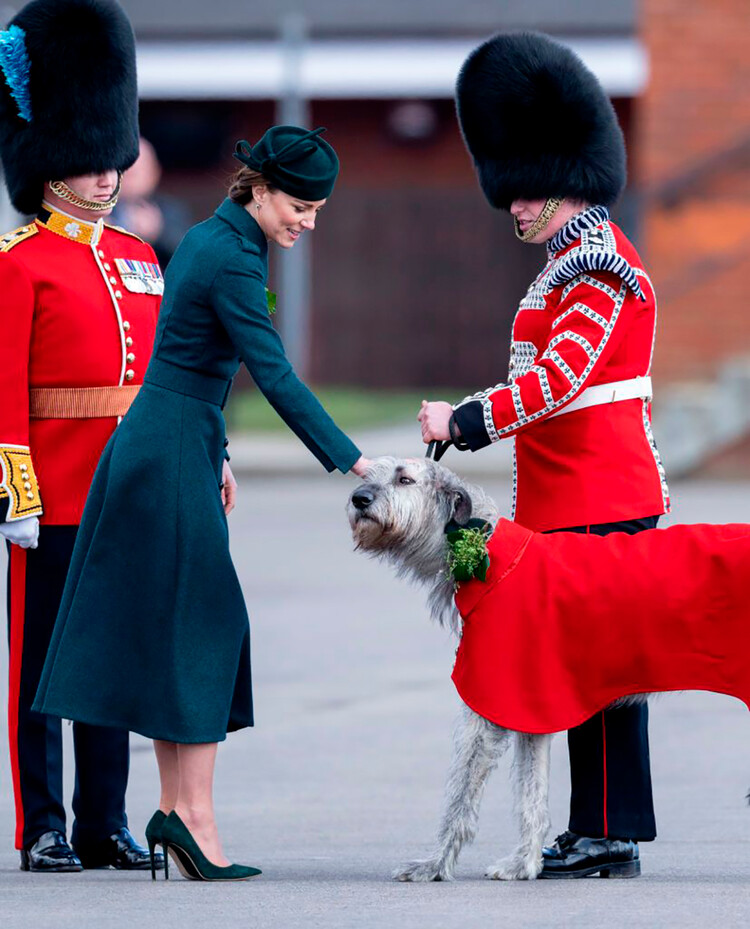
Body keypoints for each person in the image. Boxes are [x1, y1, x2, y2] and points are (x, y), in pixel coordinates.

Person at [34, 124, 372, 882]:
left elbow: (196, 358)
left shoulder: (227, 244)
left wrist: (216, 447)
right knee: (204, 624)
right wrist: (355, 459)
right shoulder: (227, 254)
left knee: (178, 626)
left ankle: (178, 814)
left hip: (174, 440)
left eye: (317, 210)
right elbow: (274, 373)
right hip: (168, 446)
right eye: (300, 205)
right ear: (257, 186)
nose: (307, 221)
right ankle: (192, 818)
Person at [418, 33, 669, 879]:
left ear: (565, 176)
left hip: (601, 495)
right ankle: (598, 826)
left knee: (601, 670)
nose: (514, 208)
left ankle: (604, 832)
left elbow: (560, 380)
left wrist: (463, 418)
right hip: (571, 495)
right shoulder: (571, 259)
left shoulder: (597, 264)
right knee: (591, 668)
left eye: (525, 193)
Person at [0, 0, 164, 872]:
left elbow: (164, 381)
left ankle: (106, 820)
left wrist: (199, 454)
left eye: (114, 158)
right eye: (90, 160)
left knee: (113, 666)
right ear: (51, 159)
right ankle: (44, 824)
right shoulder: (19, 261)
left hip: (125, 494)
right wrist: (13, 487)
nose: (106, 175)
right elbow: (2, 392)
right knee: (41, 673)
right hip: (53, 495)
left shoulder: (140, 258)